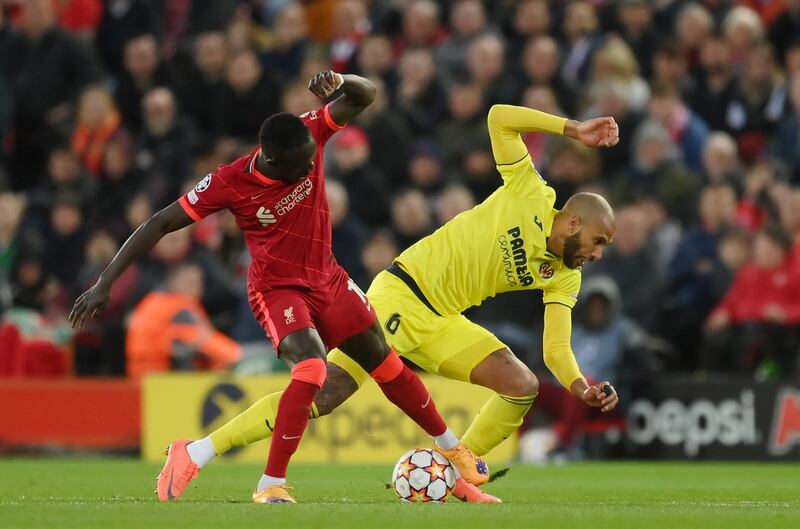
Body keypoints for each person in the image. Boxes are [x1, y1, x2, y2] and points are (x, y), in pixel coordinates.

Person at [69, 71, 484, 505]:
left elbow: (367, 94)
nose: (311, 167)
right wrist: (105, 283)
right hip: (278, 290)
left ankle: (451, 446)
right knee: (312, 369)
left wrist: (341, 80)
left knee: (384, 361)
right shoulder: (230, 182)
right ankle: (271, 484)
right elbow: (160, 223)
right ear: (270, 158)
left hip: (328, 277)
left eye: (312, 158)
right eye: (301, 165)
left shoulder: (310, 131)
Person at [196, 102, 622, 503]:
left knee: (521, 386)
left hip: (444, 321)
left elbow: (556, 348)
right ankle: (201, 449)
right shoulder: (530, 191)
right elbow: (498, 118)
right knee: (325, 395)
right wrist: (572, 128)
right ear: (574, 221)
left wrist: (580, 385)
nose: (598, 254)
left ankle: (453, 475)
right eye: (598, 241)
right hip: (401, 295)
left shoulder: (564, 275)